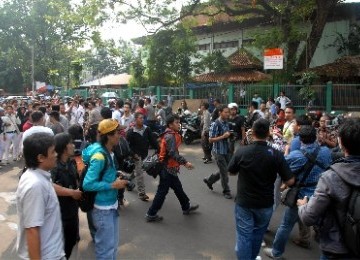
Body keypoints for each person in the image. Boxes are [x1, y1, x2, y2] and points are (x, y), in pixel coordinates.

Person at [228, 118, 295, 260]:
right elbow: (290, 180)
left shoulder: (242, 152)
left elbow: (231, 172)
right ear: (268, 133)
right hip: (265, 204)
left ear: (252, 132)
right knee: (257, 235)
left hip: (244, 203)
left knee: (244, 236)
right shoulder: (276, 154)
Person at [264, 125, 332, 259]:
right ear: (316, 137)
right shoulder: (325, 152)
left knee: (286, 225)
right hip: (320, 194)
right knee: (326, 229)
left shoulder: (295, 156)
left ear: (300, 140)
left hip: (300, 195)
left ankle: (276, 253)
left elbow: (283, 170)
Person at [297, 118, 360, 260]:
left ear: (341, 142)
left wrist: (303, 206)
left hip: (336, 248)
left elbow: (308, 217)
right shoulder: (326, 155)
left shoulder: (330, 177)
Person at [82, 119, 128, 260]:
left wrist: (115, 175)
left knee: (112, 246)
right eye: (117, 132)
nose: (120, 135)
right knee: (106, 251)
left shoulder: (108, 151)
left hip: (110, 205)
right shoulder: (99, 156)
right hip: (103, 209)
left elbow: (104, 174)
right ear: (108, 135)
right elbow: (87, 184)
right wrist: (112, 185)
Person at [16, 133, 65, 259]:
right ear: (41, 158)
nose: (56, 155)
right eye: (53, 152)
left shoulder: (39, 176)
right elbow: (32, 229)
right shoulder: (35, 185)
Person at [146, 114, 198, 222]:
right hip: (167, 168)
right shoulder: (170, 136)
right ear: (170, 124)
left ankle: (186, 207)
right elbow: (173, 153)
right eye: (176, 122)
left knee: (178, 188)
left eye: (179, 122)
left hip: (169, 168)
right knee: (162, 192)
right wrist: (185, 162)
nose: (178, 124)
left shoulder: (169, 133)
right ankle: (151, 213)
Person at [51, 133, 82, 259]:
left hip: (72, 210)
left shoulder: (72, 162)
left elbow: (76, 181)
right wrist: (71, 193)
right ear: (64, 148)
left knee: (70, 242)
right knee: (59, 248)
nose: (73, 145)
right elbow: (49, 185)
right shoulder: (54, 166)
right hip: (59, 214)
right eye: (70, 143)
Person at [127, 112, 158, 201]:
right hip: (136, 156)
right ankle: (142, 193)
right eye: (140, 118)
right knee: (140, 173)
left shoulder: (147, 129)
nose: (142, 119)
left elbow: (153, 141)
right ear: (135, 120)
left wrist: (159, 149)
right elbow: (127, 146)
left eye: (143, 118)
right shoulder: (131, 132)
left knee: (138, 171)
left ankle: (128, 181)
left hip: (144, 154)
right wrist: (133, 154)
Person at [203, 105, 232, 199]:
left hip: (226, 150)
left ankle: (210, 180)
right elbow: (210, 139)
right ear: (220, 112)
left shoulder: (226, 122)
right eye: (226, 112)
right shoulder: (215, 123)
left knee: (225, 170)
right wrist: (223, 136)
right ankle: (226, 191)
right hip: (218, 151)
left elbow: (226, 134)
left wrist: (230, 136)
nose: (228, 114)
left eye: (228, 112)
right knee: (224, 172)